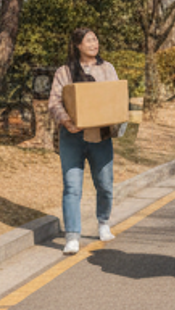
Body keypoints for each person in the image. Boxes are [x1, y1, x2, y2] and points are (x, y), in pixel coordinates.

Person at [48, 28, 121, 255]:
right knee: (72, 187)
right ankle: (72, 236)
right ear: (78, 45)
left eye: (95, 39)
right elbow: (54, 102)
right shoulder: (64, 72)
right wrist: (67, 121)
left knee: (105, 185)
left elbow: (116, 97)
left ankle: (103, 222)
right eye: (88, 40)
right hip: (72, 137)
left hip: (100, 136)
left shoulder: (107, 69)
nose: (94, 44)